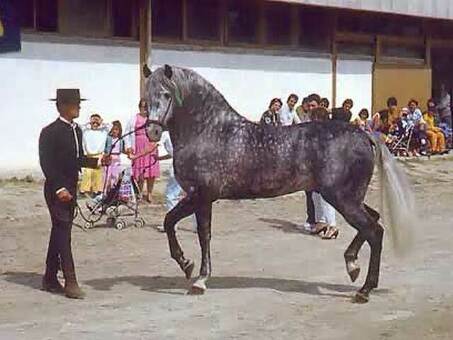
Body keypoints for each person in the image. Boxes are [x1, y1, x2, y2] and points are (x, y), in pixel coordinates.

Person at [39, 89, 100, 299]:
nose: (79, 107)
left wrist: (98, 162)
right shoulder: (49, 132)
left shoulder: (77, 131)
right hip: (56, 190)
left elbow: (77, 159)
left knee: (60, 231)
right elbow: (46, 163)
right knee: (64, 231)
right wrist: (59, 189)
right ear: (64, 106)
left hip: (71, 188)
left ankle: (49, 277)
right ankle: (70, 280)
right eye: (76, 103)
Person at [153, 131, 197, 233]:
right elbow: (173, 153)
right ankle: (198, 225)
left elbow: (152, 146)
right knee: (193, 197)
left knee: (170, 195)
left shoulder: (164, 134)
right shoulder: (180, 132)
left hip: (178, 167)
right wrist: (159, 158)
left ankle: (172, 224)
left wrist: (137, 156)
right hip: (188, 166)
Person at [309, 107, 339, 239]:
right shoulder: (317, 132)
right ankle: (321, 221)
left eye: (314, 118)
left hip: (327, 168)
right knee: (315, 195)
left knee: (326, 196)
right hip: (316, 167)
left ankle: (332, 225)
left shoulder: (327, 132)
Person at [125, 99, 160, 203]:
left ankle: (149, 193)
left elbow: (158, 131)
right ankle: (139, 193)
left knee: (151, 171)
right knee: (140, 172)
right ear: (139, 107)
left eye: (146, 107)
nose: (144, 109)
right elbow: (127, 132)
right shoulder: (133, 118)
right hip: (138, 146)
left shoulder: (153, 119)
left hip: (150, 145)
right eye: (142, 107)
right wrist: (128, 146)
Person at [301, 93, 321, 232]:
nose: (311, 107)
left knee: (321, 195)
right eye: (309, 105)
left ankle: (323, 221)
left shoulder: (322, 122)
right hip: (307, 162)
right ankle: (311, 219)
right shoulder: (305, 121)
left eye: (314, 105)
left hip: (319, 163)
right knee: (309, 194)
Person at [80, 113, 110, 197]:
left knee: (98, 173)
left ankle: (96, 191)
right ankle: (85, 191)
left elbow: (109, 126)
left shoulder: (103, 132)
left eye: (97, 121)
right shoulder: (86, 131)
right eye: (93, 121)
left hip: (99, 154)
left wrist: (100, 121)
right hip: (89, 154)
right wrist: (90, 121)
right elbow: (81, 127)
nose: (95, 123)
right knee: (88, 173)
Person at [103, 121, 128, 192]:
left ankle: (112, 191)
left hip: (117, 158)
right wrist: (105, 155)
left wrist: (129, 153)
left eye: (116, 129)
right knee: (107, 176)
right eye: (113, 129)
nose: (114, 131)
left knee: (115, 176)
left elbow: (123, 150)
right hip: (109, 157)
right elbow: (105, 148)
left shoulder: (121, 139)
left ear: (119, 130)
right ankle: (105, 192)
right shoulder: (108, 138)